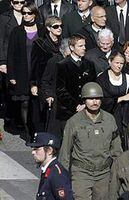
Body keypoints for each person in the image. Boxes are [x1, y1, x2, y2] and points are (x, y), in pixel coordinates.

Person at [59, 82, 122, 200]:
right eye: (91, 99)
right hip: (81, 173)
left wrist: (118, 174)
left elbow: (116, 150)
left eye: (97, 98)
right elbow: (65, 152)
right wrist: (62, 177)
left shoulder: (109, 120)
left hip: (103, 173)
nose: (95, 102)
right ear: (84, 100)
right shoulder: (74, 122)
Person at [7, 2, 46, 141]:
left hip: (37, 72)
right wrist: (11, 74)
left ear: (34, 14)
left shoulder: (42, 30)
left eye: (29, 13)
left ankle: (37, 130)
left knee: (36, 103)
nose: (26, 15)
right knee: (24, 102)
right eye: (24, 13)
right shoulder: (17, 31)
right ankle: (27, 132)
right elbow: (10, 54)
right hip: (22, 71)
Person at [55, 34, 96, 135]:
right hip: (67, 111)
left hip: (87, 109)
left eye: (84, 46)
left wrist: (85, 104)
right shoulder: (62, 65)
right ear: (72, 47)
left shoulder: (89, 64)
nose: (84, 48)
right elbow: (60, 89)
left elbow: (93, 85)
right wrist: (75, 105)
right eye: (80, 46)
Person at [96, 52, 129, 150]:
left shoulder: (128, 78)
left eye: (121, 63)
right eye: (116, 63)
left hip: (124, 117)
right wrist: (121, 98)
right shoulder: (102, 78)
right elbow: (102, 101)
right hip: (108, 115)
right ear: (110, 62)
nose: (119, 66)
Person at [31, 16, 63, 133]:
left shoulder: (63, 43)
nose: (59, 28)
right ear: (49, 28)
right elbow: (34, 65)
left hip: (57, 81)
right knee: (43, 111)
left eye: (60, 26)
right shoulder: (40, 43)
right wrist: (33, 84)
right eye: (56, 26)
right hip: (42, 81)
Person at [27, 132, 73, 200]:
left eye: (37, 149)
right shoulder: (48, 170)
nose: (33, 152)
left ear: (49, 150)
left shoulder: (57, 175)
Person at [41, 38, 71, 135]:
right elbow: (45, 80)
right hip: (57, 100)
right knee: (56, 131)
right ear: (65, 49)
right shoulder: (54, 61)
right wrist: (48, 95)